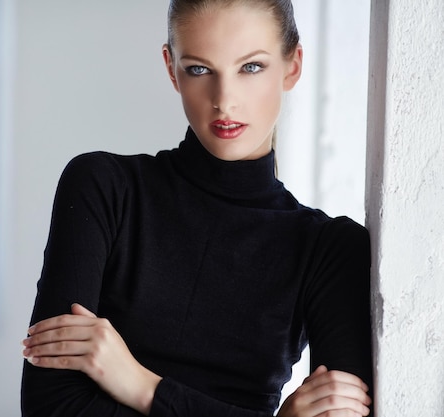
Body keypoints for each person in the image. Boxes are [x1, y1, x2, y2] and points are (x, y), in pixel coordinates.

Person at [21, 0, 374, 416]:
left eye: (252, 67)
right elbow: (52, 408)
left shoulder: (329, 249)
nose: (225, 100)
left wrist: (140, 384)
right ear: (172, 68)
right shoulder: (104, 187)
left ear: (292, 65)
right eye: (200, 69)